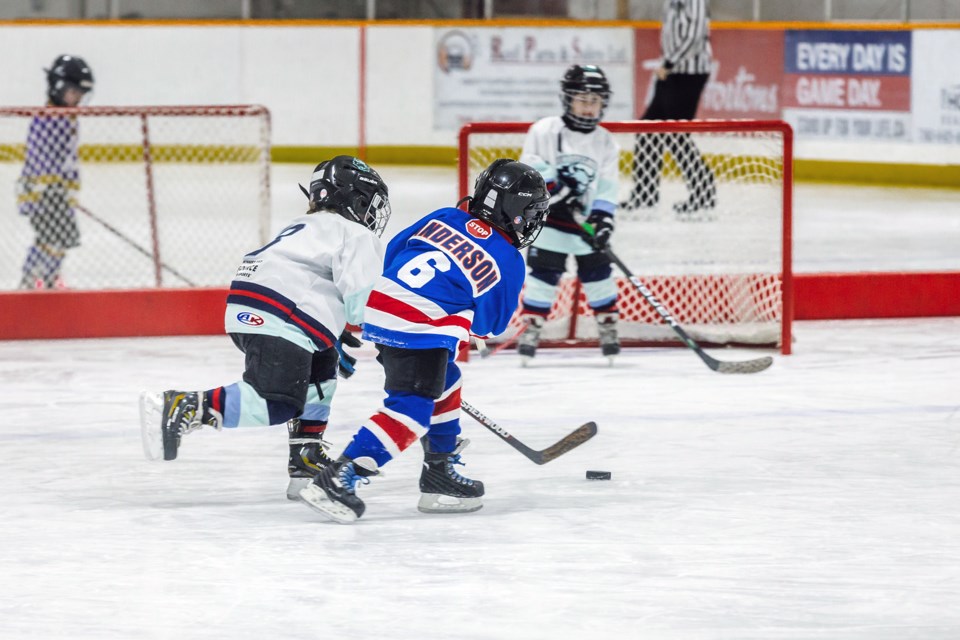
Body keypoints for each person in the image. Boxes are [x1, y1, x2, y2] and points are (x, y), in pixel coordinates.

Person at [298, 159, 550, 523]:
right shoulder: (508, 258)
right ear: (516, 212)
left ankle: (439, 473)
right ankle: (339, 477)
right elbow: (491, 324)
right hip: (421, 327)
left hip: (382, 309)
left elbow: (396, 250)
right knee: (412, 409)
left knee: (447, 382)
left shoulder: (445, 216)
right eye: (531, 212)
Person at [138, 156, 391, 502]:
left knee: (322, 367)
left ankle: (306, 458)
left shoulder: (307, 225)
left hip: (253, 302)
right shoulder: (356, 233)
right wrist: (402, 342)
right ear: (357, 199)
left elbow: (313, 280)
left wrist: (332, 332)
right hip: (281, 312)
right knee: (278, 402)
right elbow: (364, 303)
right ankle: (187, 405)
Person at [514, 64, 621, 364]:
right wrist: (558, 190)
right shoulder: (544, 130)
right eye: (583, 100)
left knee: (599, 275)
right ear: (568, 99)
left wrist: (602, 218)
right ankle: (531, 327)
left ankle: (608, 326)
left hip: (584, 223)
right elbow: (532, 168)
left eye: (595, 101)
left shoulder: (606, 141)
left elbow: (608, 186)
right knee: (543, 278)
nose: (589, 108)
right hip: (548, 221)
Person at [621, 0, 715, 217]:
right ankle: (645, 194)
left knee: (676, 134)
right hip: (673, 72)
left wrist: (669, 63)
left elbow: (695, 35)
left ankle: (704, 191)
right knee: (648, 129)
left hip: (689, 74)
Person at [17, 54, 94, 289]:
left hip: (59, 193)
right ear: (58, 88)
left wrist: (70, 190)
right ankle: (33, 279)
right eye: (74, 93)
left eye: (81, 95)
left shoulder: (68, 118)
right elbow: (40, 156)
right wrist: (51, 188)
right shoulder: (47, 118)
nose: (78, 99)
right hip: (44, 193)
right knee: (50, 239)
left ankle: (49, 278)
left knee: (61, 239)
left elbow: (69, 159)